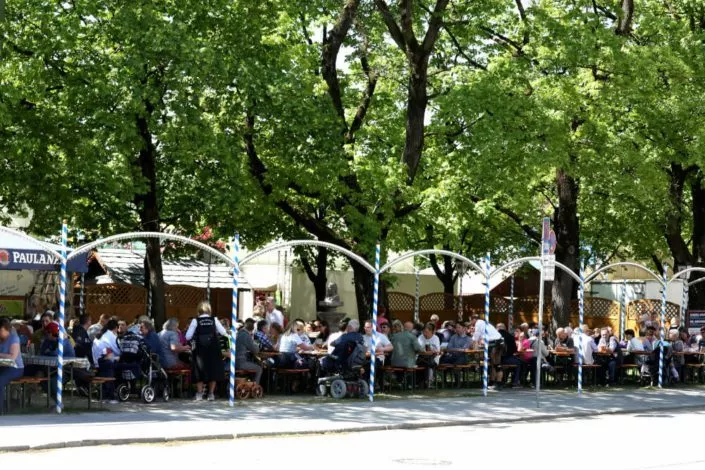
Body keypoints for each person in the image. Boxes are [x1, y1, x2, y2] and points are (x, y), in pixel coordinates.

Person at [185, 301, 228, 401]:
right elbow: (223, 332)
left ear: (199, 310)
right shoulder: (214, 319)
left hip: (200, 349)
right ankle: (211, 394)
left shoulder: (195, 321)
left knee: (199, 370)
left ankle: (199, 394)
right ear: (209, 310)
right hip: (213, 348)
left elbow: (188, 337)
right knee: (213, 369)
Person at [91, 320, 121, 403]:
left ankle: (105, 394)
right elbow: (118, 351)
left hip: (96, 362)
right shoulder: (111, 336)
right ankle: (109, 395)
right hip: (104, 362)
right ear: (115, 328)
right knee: (116, 365)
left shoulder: (101, 334)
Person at [0, 317, 25, 412]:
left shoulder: (14, 338)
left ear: (7, 330)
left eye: (1, 330)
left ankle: (0, 409)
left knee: (0, 380)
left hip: (15, 368)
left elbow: (12, 357)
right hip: (2, 366)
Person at [236, 319, 262, 384]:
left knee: (254, 365)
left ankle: (250, 385)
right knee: (259, 368)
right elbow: (255, 350)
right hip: (241, 362)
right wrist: (257, 345)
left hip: (235, 361)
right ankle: (255, 387)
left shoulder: (239, 333)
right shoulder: (246, 335)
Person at [497, 323, 521, 387]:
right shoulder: (510, 336)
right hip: (507, 358)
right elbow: (514, 350)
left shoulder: (494, 336)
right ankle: (515, 382)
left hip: (495, 359)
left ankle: (497, 381)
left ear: (497, 328)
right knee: (518, 363)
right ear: (505, 328)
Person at [417, 323, 440, 387]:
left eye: (427, 332)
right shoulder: (420, 337)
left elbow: (438, 350)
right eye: (424, 331)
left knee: (428, 363)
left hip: (433, 357)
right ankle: (423, 381)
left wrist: (432, 350)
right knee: (424, 363)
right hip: (422, 357)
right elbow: (417, 348)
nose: (425, 333)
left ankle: (427, 381)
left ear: (431, 331)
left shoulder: (435, 338)